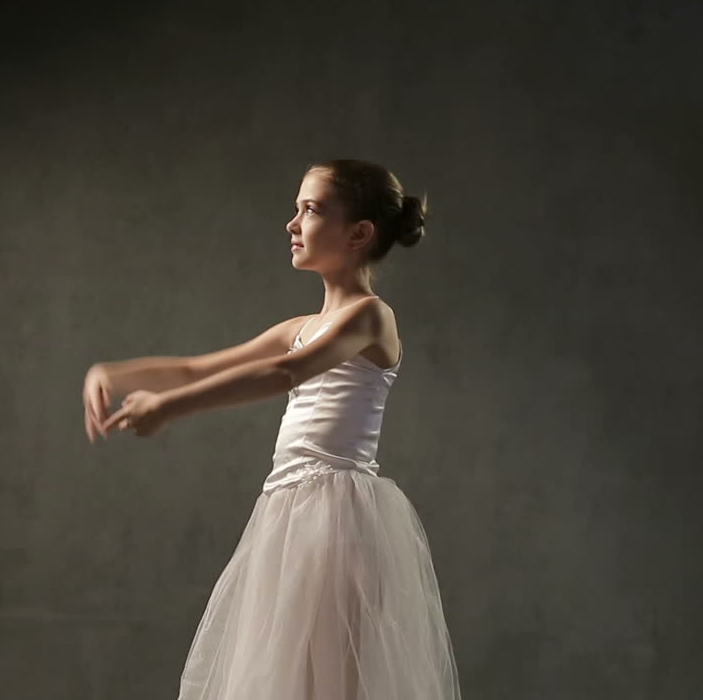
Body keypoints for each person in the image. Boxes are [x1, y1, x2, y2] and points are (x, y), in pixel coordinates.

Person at [84, 159, 462, 699]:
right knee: (283, 674)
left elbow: (285, 372)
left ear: (358, 234)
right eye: (296, 209)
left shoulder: (371, 318)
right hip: (287, 516)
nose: (292, 224)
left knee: (333, 674)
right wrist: (113, 372)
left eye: (310, 210)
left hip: (336, 519)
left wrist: (169, 407)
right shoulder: (299, 328)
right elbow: (200, 366)